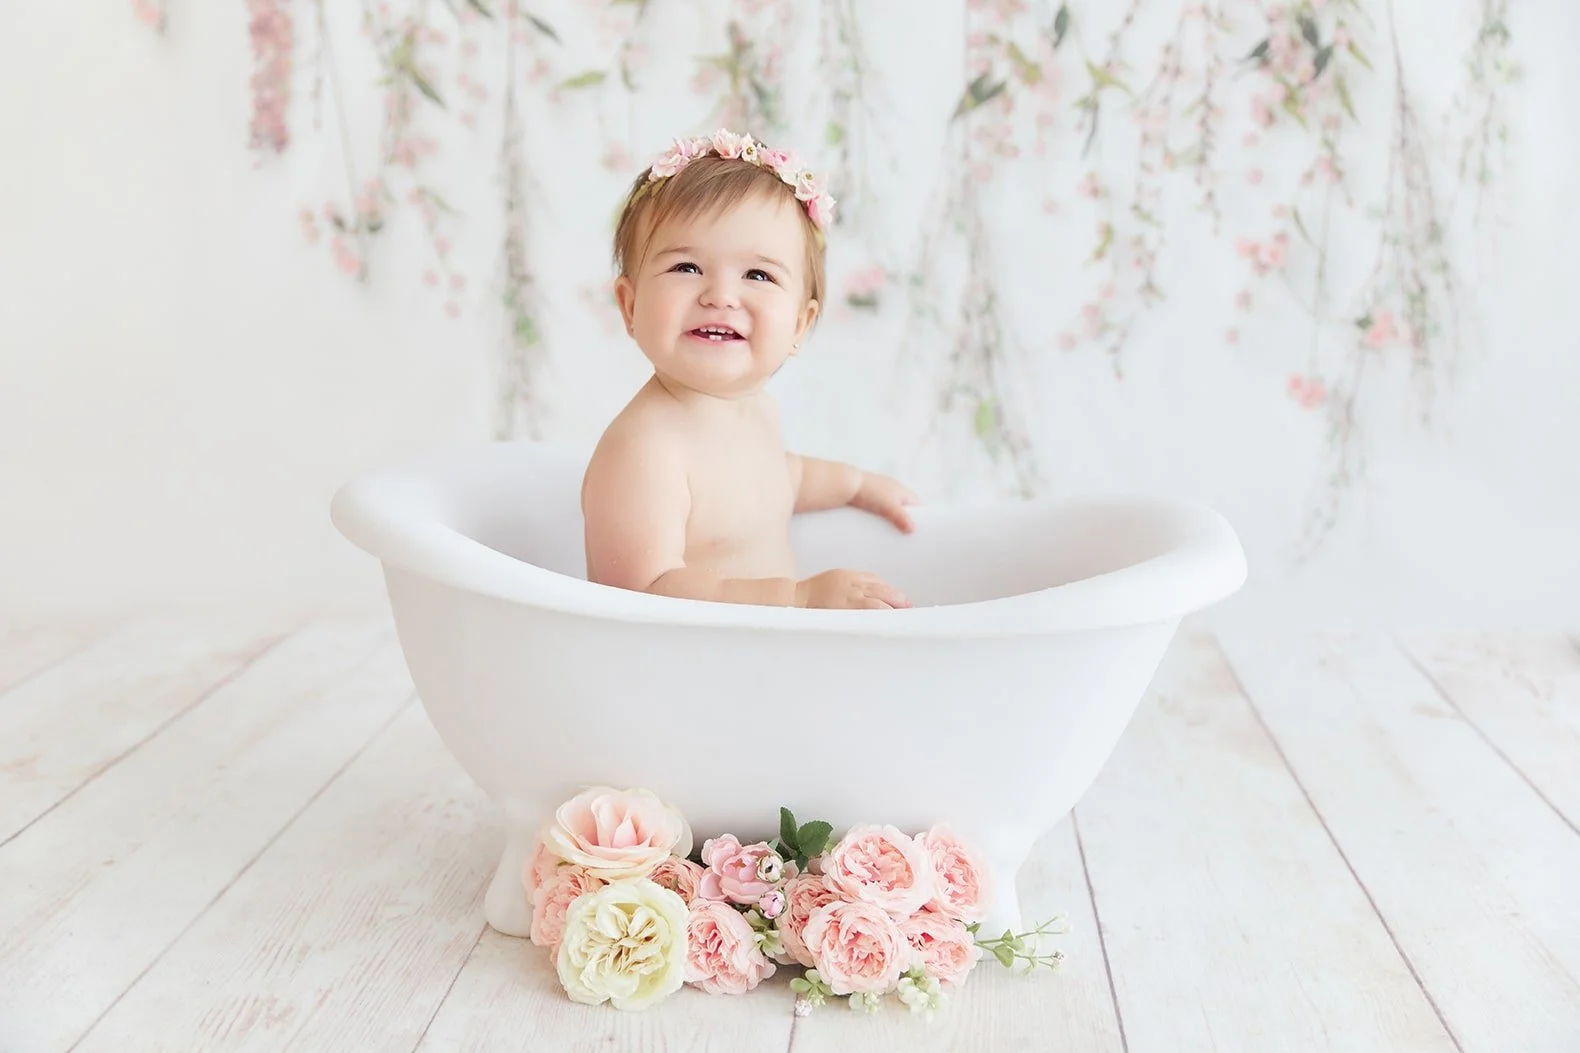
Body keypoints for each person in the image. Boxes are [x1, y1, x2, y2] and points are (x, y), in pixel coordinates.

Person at [581, 129, 917, 610]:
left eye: (758, 275)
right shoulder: (644, 450)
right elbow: (642, 594)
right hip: (675, 673)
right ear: (629, 306)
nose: (719, 295)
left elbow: (785, 479)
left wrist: (856, 486)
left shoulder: (756, 410)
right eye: (686, 268)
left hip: (754, 663)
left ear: (801, 324)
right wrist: (797, 600)